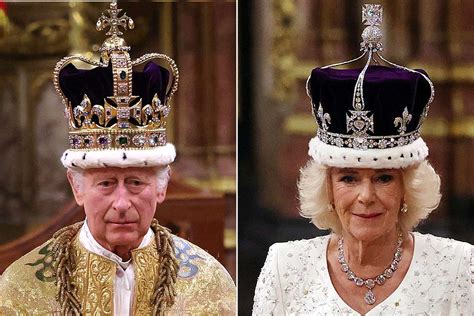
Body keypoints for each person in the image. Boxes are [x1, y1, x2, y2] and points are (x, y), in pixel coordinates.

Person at [0, 2, 235, 315]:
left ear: (162, 187)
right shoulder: (22, 288)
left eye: (136, 182)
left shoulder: (208, 284)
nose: (122, 203)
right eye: (107, 183)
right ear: (77, 187)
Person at [253, 4, 472, 315]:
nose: (366, 196)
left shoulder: (458, 268)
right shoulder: (284, 266)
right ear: (327, 187)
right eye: (348, 177)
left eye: (383, 177)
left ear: (407, 188)